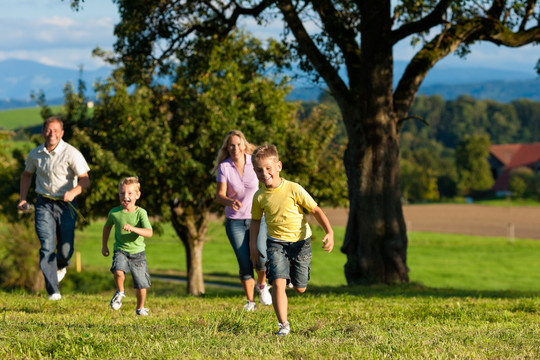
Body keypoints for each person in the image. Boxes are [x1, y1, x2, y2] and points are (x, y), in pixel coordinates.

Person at [249, 144, 334, 336]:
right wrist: (253, 246)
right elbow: (255, 222)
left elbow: (316, 210)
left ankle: (290, 280)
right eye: (259, 170)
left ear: (278, 166)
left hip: (300, 243)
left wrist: (329, 231)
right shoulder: (259, 196)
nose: (264, 173)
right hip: (275, 243)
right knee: (278, 283)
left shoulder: (294, 189)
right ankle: (283, 325)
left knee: (300, 288)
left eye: (268, 168)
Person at [17, 116, 90, 301]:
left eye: (56, 130)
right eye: (49, 130)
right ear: (43, 132)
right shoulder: (35, 154)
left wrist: (73, 192)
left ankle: (61, 264)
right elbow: (26, 175)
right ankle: (53, 291)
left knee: (65, 249)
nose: (52, 134)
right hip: (43, 204)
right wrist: (22, 198)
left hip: (67, 205)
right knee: (46, 246)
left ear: (62, 133)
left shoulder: (71, 153)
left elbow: (85, 179)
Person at [214, 130, 272, 311]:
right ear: (227, 147)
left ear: (244, 145)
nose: (235, 148)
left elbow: (267, 182)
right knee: (245, 262)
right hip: (235, 222)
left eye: (238, 144)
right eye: (231, 145)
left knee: (261, 256)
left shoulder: (253, 162)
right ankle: (250, 302)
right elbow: (219, 195)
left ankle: (262, 286)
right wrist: (230, 201)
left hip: (257, 218)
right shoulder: (225, 167)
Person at [102, 176, 153, 316]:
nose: (125, 196)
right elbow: (106, 228)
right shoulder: (114, 213)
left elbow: (149, 232)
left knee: (141, 286)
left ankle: (140, 308)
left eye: (130, 193)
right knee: (118, 271)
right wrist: (104, 246)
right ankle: (120, 292)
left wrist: (133, 228)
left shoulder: (141, 213)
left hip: (138, 254)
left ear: (137, 195)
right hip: (121, 250)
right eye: (122, 193)